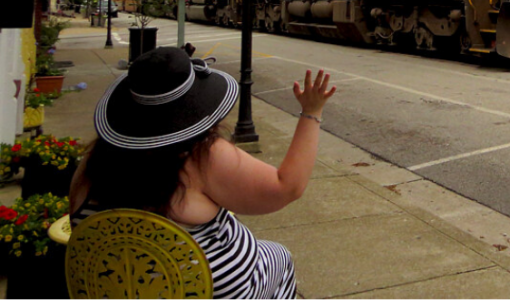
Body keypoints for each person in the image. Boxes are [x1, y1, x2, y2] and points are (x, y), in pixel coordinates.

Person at [69, 46, 336, 299]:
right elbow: (287, 186)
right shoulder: (200, 156)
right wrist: (311, 113)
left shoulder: (92, 161)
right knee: (279, 256)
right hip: (201, 290)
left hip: (114, 289)